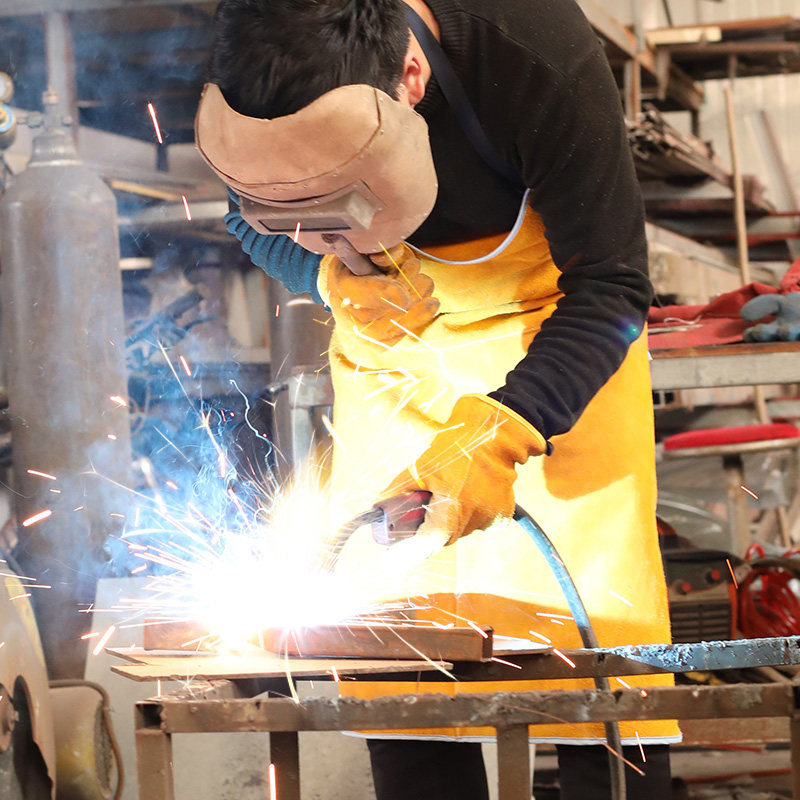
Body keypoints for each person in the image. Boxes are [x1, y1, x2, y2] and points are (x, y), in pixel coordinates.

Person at [201, 1, 680, 798]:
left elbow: (616, 289)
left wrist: (505, 427)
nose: (329, 226)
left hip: (554, 353)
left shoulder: (533, 51)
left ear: (411, 78)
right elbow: (245, 218)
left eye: (344, 202)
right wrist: (324, 276)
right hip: (395, 363)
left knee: (600, 669)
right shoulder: (258, 52)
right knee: (400, 669)